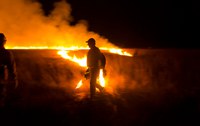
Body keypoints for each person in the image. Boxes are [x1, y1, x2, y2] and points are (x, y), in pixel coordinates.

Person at [0, 33, 18, 107]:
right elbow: (11, 68)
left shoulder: (7, 53)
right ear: (4, 42)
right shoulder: (7, 53)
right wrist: (14, 79)